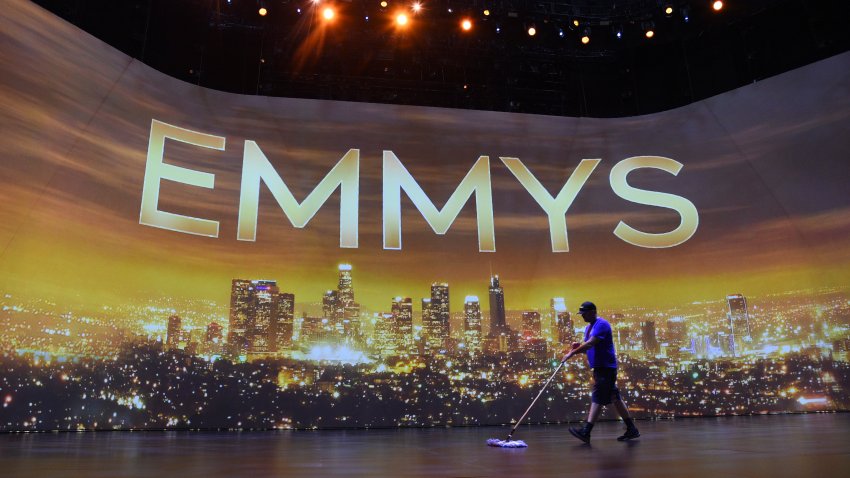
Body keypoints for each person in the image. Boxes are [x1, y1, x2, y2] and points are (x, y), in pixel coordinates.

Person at [562, 301, 640, 443]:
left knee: (597, 396)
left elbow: (592, 342)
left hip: (606, 367)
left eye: (584, 313)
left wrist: (571, 354)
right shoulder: (588, 327)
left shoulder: (602, 325)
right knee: (615, 397)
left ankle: (586, 430)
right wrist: (577, 347)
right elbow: (587, 346)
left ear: (592, 311)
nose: (583, 316)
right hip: (599, 368)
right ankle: (631, 429)